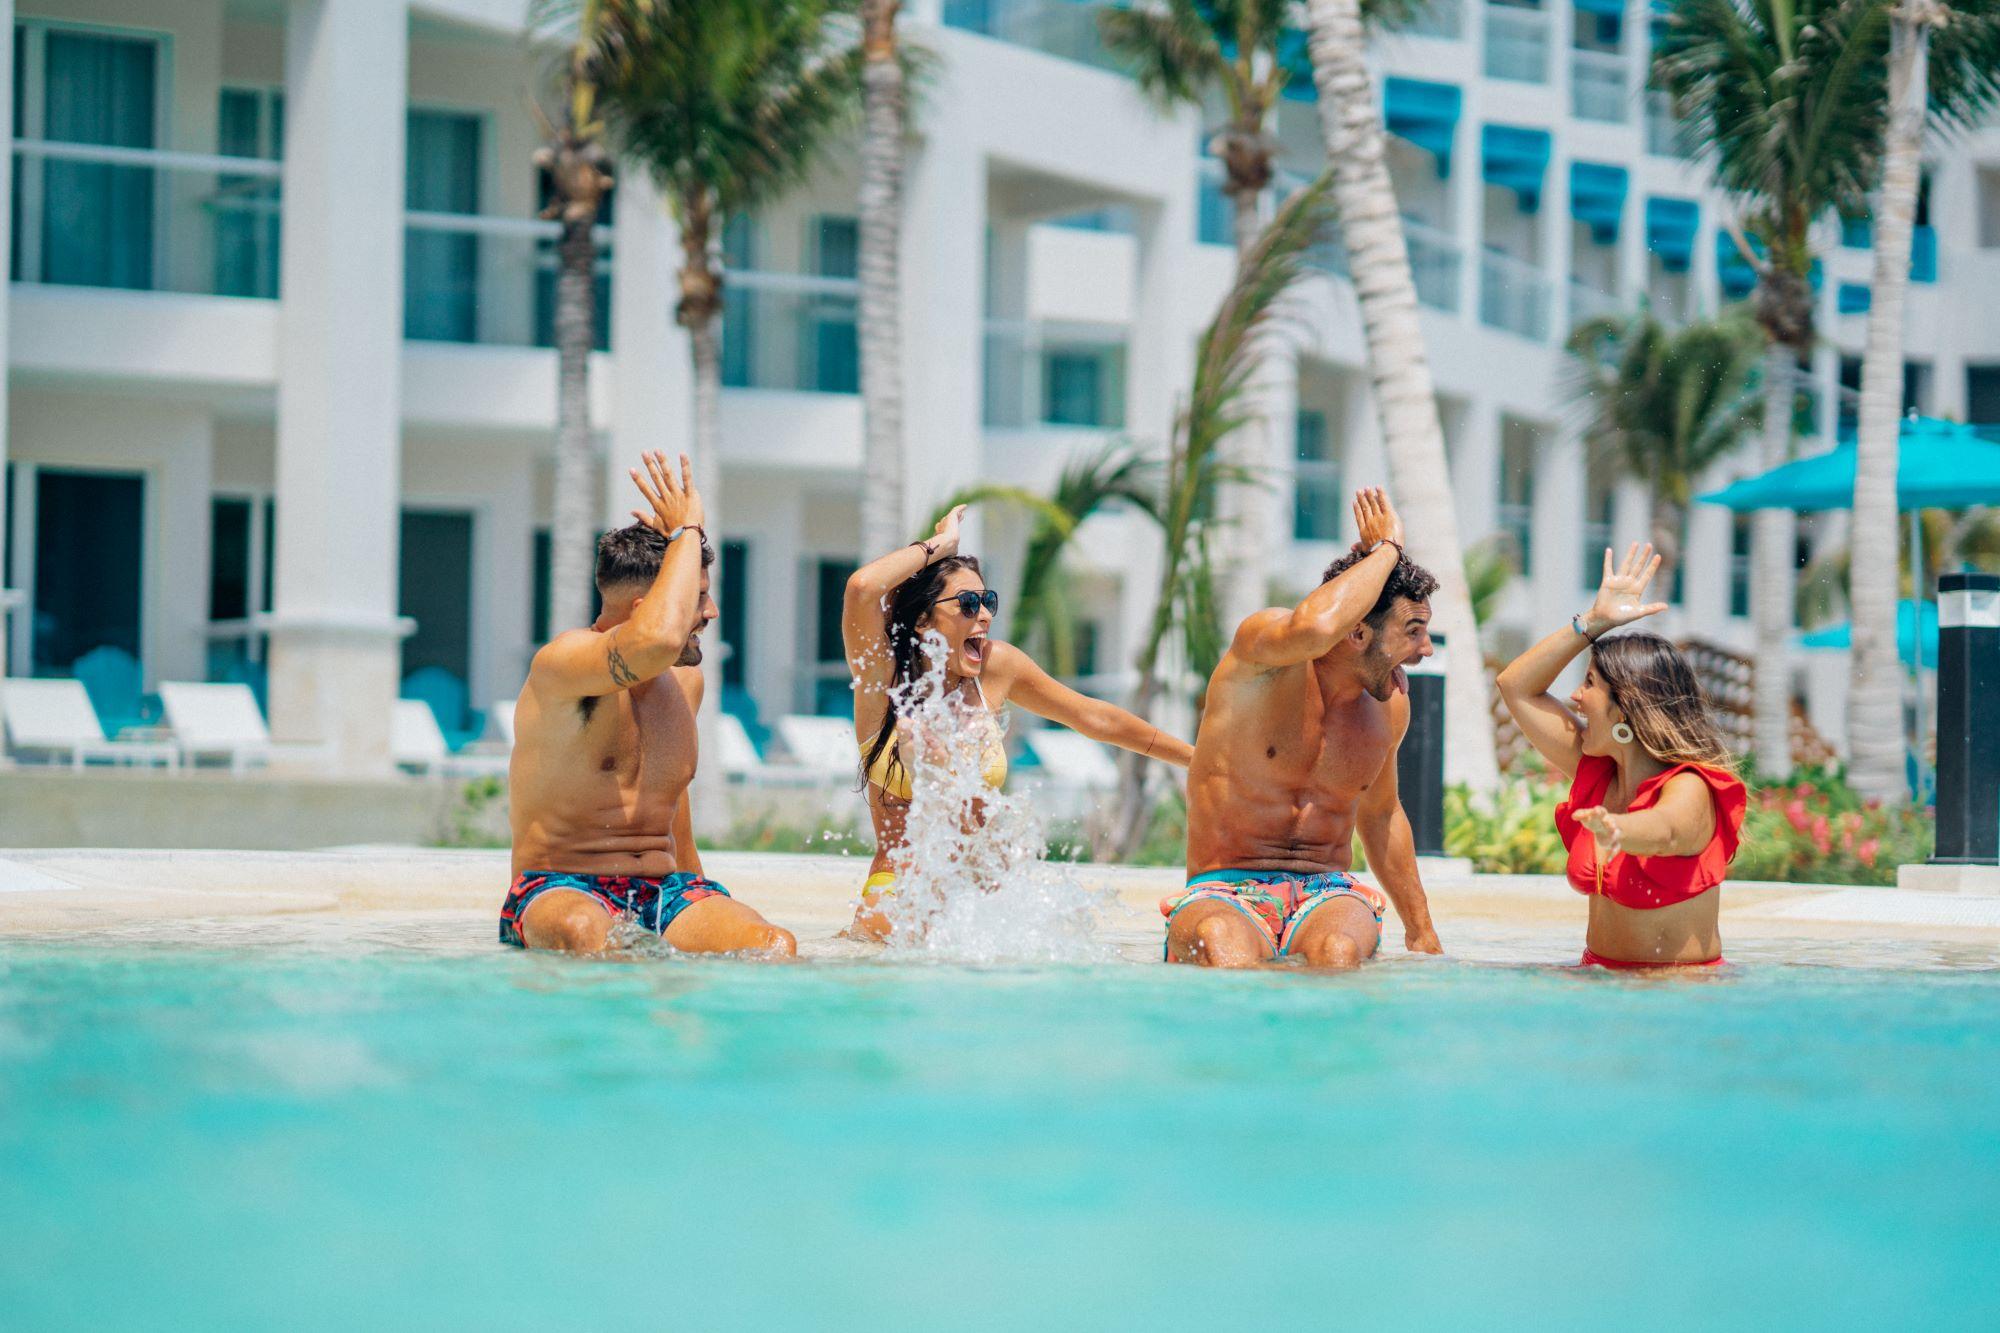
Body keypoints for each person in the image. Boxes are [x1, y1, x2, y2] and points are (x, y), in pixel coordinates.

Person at [841, 503, 1195, 940]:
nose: (985, 615)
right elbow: (861, 588)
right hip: (901, 892)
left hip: (985, 893)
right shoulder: (884, 680)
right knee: (922, 751)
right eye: (968, 604)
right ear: (922, 620)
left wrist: (1199, 760)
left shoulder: (996, 667)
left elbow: (1095, 717)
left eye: (987, 600)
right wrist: (942, 546)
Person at [499, 452, 797, 957]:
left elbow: (672, 816)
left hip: (666, 894)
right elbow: (655, 641)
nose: (712, 611)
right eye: (696, 598)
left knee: (773, 947)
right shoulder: (563, 667)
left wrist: (702, 905)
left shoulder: (686, 684)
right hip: (561, 888)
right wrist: (688, 531)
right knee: (587, 935)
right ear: (645, 611)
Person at [1167, 488, 1443, 969]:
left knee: (1337, 954)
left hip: (1327, 892)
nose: (1426, 651)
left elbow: (1380, 816)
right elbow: (1315, 629)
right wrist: (1388, 550)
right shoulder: (1261, 656)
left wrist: (1423, 934)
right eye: (1413, 631)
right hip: (1224, 887)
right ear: (1356, 633)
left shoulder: (1390, 705)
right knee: (1221, 945)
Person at [1494, 542, 1747, 969]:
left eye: (1589, 684)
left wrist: (1618, 828)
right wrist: (1593, 623)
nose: (1575, 696)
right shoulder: (1597, 772)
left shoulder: (1691, 787)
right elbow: (1516, 686)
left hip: (1676, 994)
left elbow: (1666, 829)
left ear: (1627, 706)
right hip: (1597, 981)